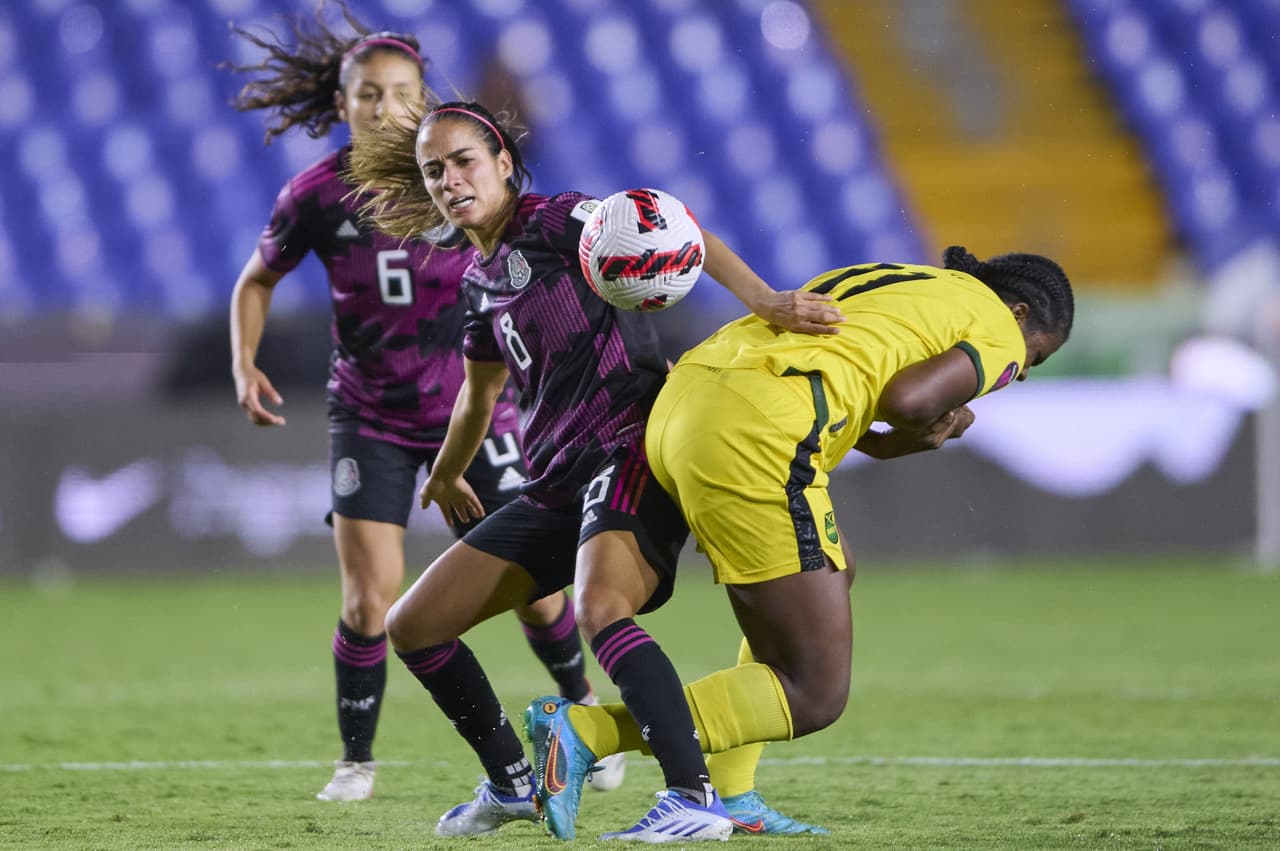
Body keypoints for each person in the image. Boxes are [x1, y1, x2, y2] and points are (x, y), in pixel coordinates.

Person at [345, 98, 844, 840]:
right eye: (433, 170)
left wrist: (767, 301)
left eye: (463, 161)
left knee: (600, 608)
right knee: (414, 624)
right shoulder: (480, 282)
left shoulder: (560, 220)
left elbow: (680, 227)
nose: (449, 179)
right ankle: (514, 783)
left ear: (504, 162)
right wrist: (449, 473)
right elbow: (478, 396)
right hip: (555, 483)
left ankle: (691, 796)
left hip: (629, 446)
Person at [524, 246, 1075, 838]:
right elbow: (908, 400)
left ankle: (732, 792)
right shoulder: (998, 329)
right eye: (1034, 357)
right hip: (755, 436)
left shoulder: (902, 280)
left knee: (836, 572)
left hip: (685, 401)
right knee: (814, 694)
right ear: (1020, 313)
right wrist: (946, 414)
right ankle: (588, 733)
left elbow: (829, 360)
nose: (1023, 367)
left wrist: (886, 440)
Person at [225, 8, 616, 806]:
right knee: (370, 596)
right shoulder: (316, 195)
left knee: (536, 590)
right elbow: (256, 278)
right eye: (368, 94)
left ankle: (582, 714)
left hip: (474, 417)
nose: (384, 107)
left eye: (401, 92)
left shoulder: (455, 181)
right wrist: (243, 361)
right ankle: (356, 760)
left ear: (422, 98)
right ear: (344, 106)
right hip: (368, 416)